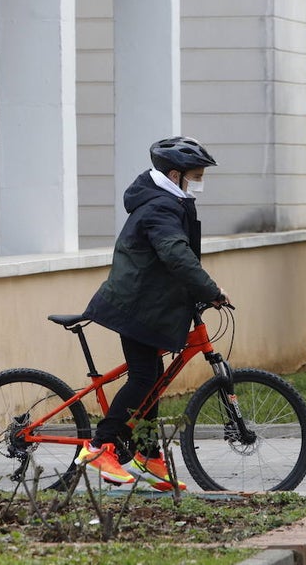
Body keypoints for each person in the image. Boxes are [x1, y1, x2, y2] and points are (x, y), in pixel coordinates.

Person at [77, 136, 229, 490]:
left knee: (153, 377)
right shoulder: (160, 207)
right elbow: (175, 253)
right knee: (144, 377)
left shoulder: (167, 201)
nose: (199, 183)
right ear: (175, 175)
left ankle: (146, 454)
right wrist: (210, 289)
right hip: (134, 307)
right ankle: (99, 447)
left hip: (145, 305)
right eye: (196, 176)